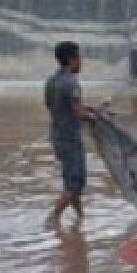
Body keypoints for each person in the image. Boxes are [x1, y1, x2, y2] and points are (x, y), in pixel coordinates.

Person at [44, 41, 95, 226]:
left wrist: (88, 109)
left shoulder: (51, 81)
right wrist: (95, 118)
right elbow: (78, 113)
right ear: (72, 59)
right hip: (71, 140)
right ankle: (53, 218)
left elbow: (56, 106)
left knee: (73, 182)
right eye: (80, 58)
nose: (82, 62)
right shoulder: (71, 82)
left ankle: (80, 218)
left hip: (57, 137)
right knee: (74, 184)